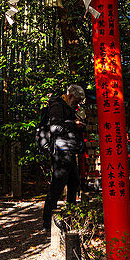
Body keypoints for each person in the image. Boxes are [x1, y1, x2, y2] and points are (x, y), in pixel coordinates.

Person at [40, 84, 87, 234]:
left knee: (74, 182)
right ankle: (47, 223)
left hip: (69, 150)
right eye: (77, 100)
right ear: (71, 96)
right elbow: (55, 128)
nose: (78, 103)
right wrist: (74, 124)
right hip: (60, 151)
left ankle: (70, 218)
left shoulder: (68, 108)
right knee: (57, 186)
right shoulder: (56, 105)